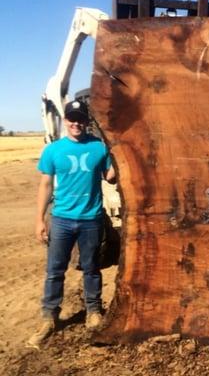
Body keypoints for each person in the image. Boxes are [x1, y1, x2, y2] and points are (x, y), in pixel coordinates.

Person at [28, 100, 116, 347]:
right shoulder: (53, 150)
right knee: (55, 271)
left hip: (91, 219)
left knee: (91, 268)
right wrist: (39, 220)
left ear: (87, 122)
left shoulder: (99, 147)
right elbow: (45, 185)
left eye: (81, 119)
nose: (76, 123)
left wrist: (119, 152)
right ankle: (49, 317)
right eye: (72, 119)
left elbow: (109, 177)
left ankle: (93, 311)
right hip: (62, 220)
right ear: (65, 121)